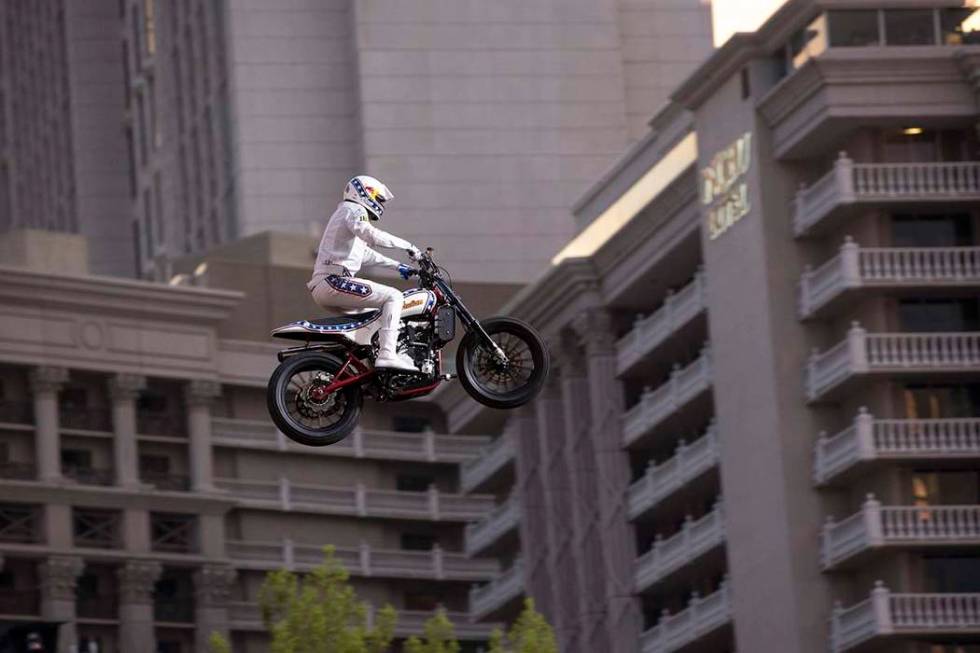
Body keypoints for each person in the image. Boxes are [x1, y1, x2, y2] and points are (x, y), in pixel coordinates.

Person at [308, 175, 421, 372]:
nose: (380, 203)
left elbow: (365, 254)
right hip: (333, 281)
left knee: (375, 318)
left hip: (326, 285)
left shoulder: (346, 215)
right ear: (365, 193)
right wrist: (408, 246)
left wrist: (399, 266)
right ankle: (387, 354)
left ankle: (367, 363)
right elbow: (370, 234)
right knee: (394, 297)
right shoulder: (353, 209)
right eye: (378, 198)